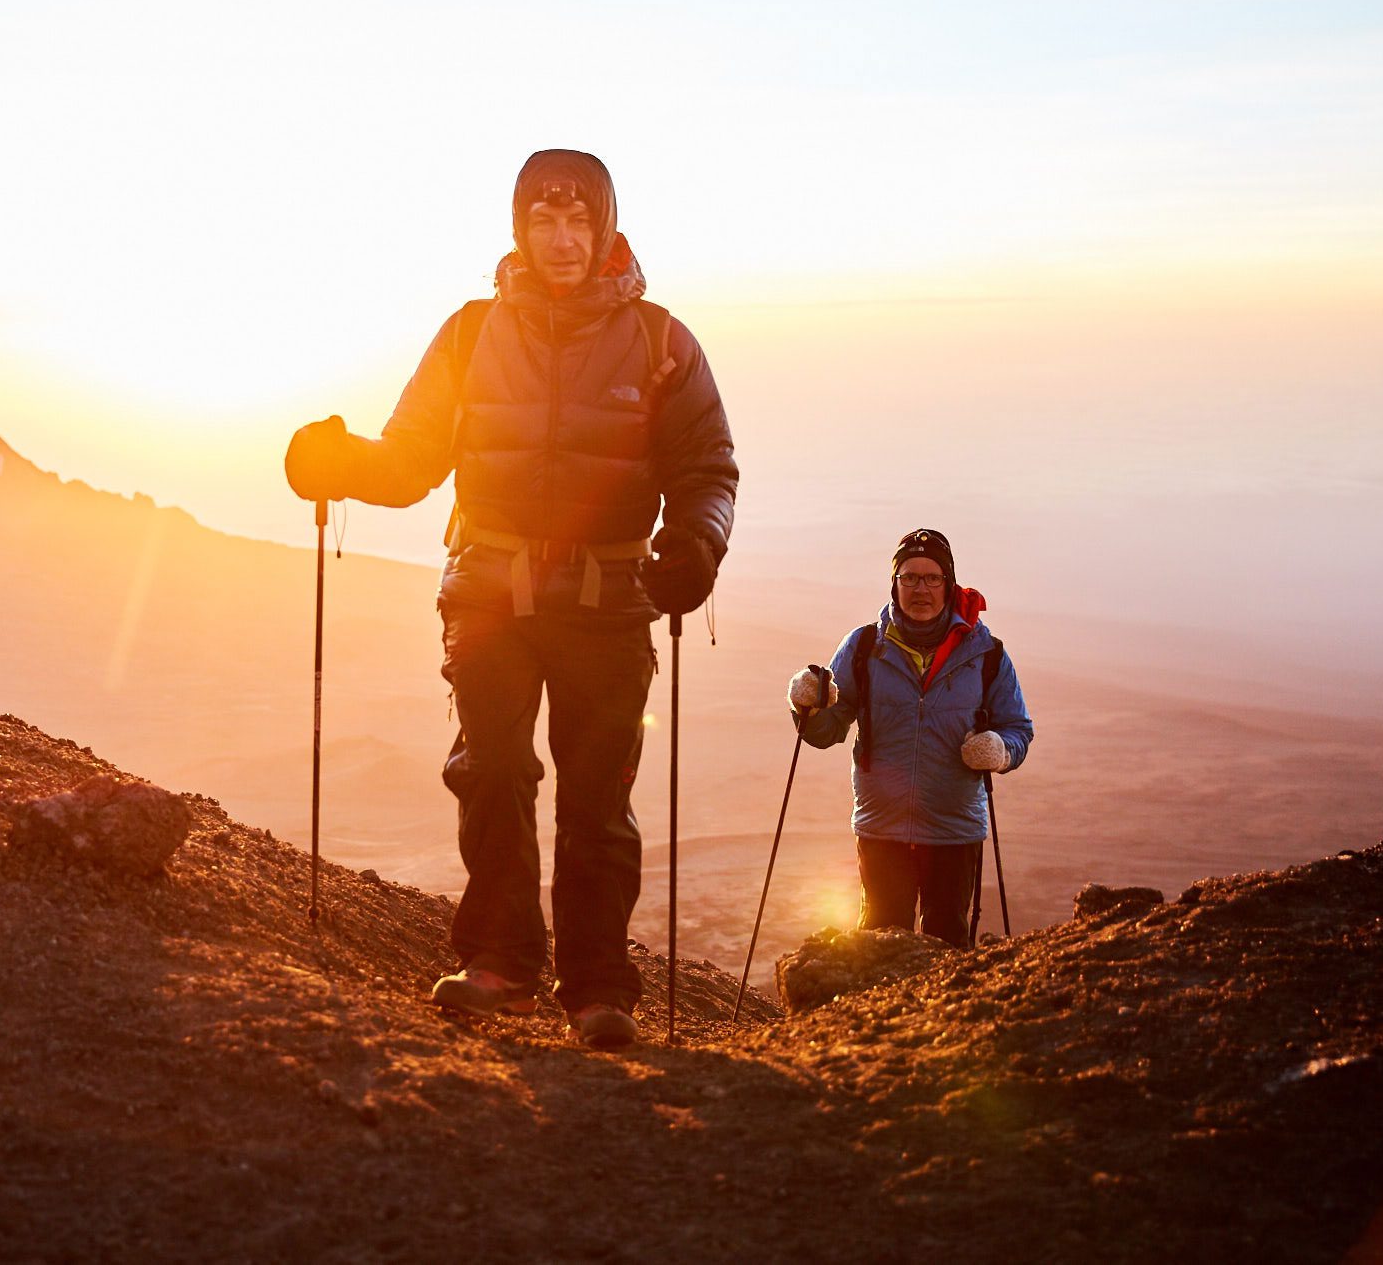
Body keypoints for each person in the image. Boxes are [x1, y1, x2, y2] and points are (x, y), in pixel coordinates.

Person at [284, 150, 737, 1049]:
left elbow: (706, 468)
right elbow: (411, 460)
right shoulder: (468, 334)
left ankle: (599, 985)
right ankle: (499, 960)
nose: (561, 241)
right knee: (490, 772)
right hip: (488, 594)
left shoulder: (660, 341)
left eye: (578, 223)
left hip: (608, 602)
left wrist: (697, 544)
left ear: (604, 227)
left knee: (596, 798)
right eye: (543, 222)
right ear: (519, 230)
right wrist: (338, 464)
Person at [787, 528, 1032, 946]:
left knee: (948, 939)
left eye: (932, 578)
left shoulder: (986, 653)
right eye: (909, 577)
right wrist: (807, 707)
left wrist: (999, 751)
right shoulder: (864, 646)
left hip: (954, 830)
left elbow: (1018, 731)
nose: (921, 589)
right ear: (895, 584)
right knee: (880, 940)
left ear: (949, 584)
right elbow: (828, 731)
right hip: (882, 828)